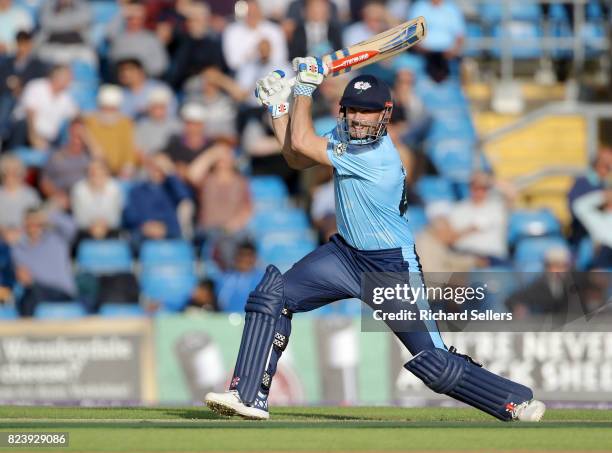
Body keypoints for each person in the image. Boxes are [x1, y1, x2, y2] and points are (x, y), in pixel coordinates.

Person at [204, 61, 545, 422]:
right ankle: (247, 395)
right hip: (346, 255)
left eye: (368, 111)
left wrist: (304, 87)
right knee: (273, 296)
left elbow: (302, 141)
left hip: (390, 268)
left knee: (435, 365)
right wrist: (279, 107)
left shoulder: (376, 157)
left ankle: (513, 399)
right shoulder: (341, 136)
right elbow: (295, 156)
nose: (359, 118)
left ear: (386, 114)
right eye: (353, 110)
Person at [11, 205, 83, 317]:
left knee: (31, 295)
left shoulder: (57, 238)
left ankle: (26, 329)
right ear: (24, 225)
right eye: (30, 224)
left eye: (38, 224)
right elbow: (23, 277)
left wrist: (49, 216)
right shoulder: (18, 249)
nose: (34, 227)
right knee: (26, 295)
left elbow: (73, 227)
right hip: (35, 291)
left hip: (62, 291)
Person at [10, 64, 77, 150]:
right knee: (22, 125)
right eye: (68, 77)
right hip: (26, 133)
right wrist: (33, 136)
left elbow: (75, 116)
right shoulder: (36, 86)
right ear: (57, 76)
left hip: (48, 138)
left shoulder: (67, 97)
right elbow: (30, 113)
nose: (70, 80)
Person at [84, 84, 139, 177]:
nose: (108, 112)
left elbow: (128, 147)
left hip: (119, 172)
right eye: (105, 108)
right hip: (94, 170)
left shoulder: (125, 123)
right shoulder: (90, 120)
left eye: (112, 109)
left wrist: (127, 166)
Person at [71, 160, 123, 242]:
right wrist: (92, 226)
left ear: (106, 173)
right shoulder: (79, 189)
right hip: (86, 230)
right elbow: (79, 217)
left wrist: (103, 225)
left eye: (100, 171)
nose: (96, 175)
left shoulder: (115, 188)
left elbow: (115, 217)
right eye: (93, 172)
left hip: (110, 229)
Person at [0, 154, 40, 232]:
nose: (10, 175)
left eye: (14, 172)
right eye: (7, 171)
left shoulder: (31, 194)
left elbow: (35, 219)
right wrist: (4, 232)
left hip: (25, 237)